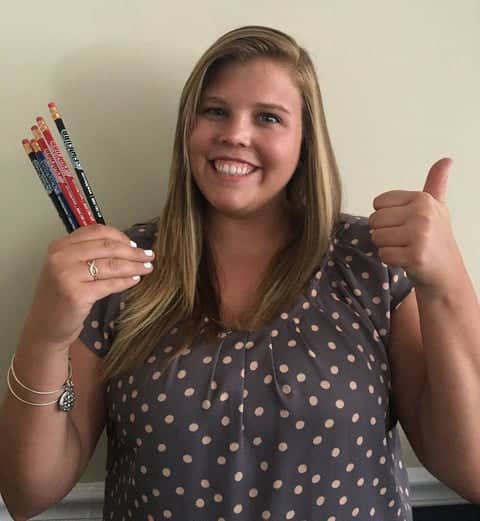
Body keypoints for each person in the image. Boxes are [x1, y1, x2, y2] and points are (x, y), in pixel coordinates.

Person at [0, 25, 479, 521]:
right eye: (215, 111)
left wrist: (447, 282)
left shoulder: (371, 261)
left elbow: (471, 469)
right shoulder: (121, 266)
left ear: (305, 141)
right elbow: (27, 493)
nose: (235, 134)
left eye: (268, 117)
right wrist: (45, 336)